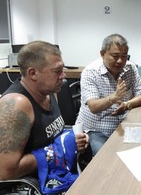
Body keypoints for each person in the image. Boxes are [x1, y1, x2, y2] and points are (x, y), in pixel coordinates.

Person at [0, 41, 89, 182]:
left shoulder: (50, 92)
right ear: (33, 73)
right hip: (35, 185)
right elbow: (6, 171)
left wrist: (72, 139)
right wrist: (58, 151)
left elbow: (49, 134)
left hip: (57, 174)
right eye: (57, 71)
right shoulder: (17, 105)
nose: (63, 76)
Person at [76, 34, 141, 156]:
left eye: (124, 56)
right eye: (115, 56)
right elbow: (93, 106)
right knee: (107, 159)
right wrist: (114, 97)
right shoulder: (90, 72)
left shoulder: (131, 68)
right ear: (102, 54)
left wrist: (127, 104)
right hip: (96, 130)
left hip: (124, 124)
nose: (120, 61)